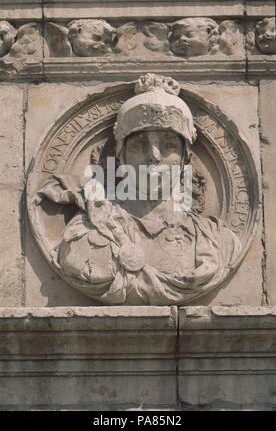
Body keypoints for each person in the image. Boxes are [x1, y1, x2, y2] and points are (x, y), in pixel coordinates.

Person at [36, 74, 241, 305]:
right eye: (140, 144)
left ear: (185, 159)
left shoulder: (217, 239)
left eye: (169, 145)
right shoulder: (86, 233)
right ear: (121, 157)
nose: (154, 156)